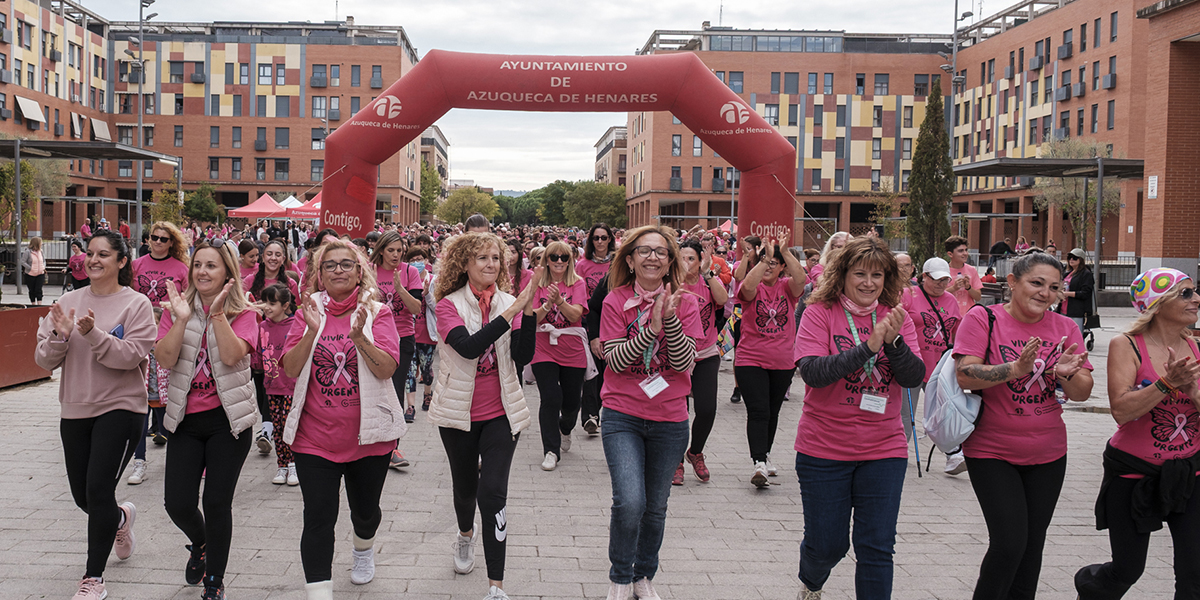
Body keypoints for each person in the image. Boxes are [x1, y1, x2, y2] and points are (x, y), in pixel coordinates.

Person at [952, 252, 1093, 600]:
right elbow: (965, 375)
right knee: (1009, 543)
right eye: (1037, 283)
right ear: (1013, 282)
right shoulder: (983, 318)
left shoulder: (1065, 328)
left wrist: (1067, 374)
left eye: (1054, 287)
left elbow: (1082, 393)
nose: (1045, 293)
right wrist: (1015, 369)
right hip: (992, 451)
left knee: (1032, 547)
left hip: (1048, 452)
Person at [792, 236, 925, 599]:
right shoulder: (820, 312)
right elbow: (814, 373)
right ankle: (811, 579)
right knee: (828, 545)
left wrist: (894, 342)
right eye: (860, 273)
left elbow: (914, 377)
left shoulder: (897, 316)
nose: (869, 283)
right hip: (823, 449)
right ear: (843, 274)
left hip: (884, 449)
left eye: (877, 275)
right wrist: (868, 346)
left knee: (877, 545)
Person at [280, 239, 407, 599]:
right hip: (314, 439)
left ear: (359, 272)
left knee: (365, 513)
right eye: (330, 265)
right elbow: (289, 369)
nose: (338, 270)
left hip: (370, 439)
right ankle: (319, 593)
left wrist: (359, 339)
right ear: (319, 274)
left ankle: (363, 550)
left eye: (346, 264)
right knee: (318, 518)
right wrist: (310, 331)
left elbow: (387, 370)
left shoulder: (377, 312)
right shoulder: (308, 310)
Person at [35, 230, 156, 600]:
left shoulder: (136, 305)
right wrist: (60, 333)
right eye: (90, 253)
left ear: (122, 262)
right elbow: (43, 360)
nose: (94, 260)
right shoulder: (68, 301)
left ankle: (94, 578)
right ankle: (119, 519)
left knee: (99, 489)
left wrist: (93, 334)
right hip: (75, 407)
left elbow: (128, 356)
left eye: (104, 254)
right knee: (83, 496)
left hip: (122, 408)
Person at [1075, 268, 1200, 599]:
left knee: (1195, 571)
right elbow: (1122, 411)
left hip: (1189, 472)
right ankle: (1089, 586)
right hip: (1133, 472)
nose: (1196, 299)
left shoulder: (1197, 348)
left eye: (1195, 292)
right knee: (1127, 569)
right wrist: (1166, 383)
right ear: (1158, 305)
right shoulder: (1126, 345)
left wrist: (1194, 391)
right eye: (1186, 293)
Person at [429, 232, 538, 600]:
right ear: (464, 264)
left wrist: (531, 313)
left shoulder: (511, 301)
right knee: (465, 490)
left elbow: (521, 358)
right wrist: (512, 312)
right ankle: (464, 535)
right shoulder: (447, 305)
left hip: (502, 413)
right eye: (482, 258)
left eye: (496, 258)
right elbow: (468, 347)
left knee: (492, 492)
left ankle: (496, 585)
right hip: (458, 413)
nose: (491, 265)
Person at [598, 225, 701, 600]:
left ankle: (644, 576)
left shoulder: (687, 303)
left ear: (670, 260)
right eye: (644, 251)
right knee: (630, 501)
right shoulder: (614, 302)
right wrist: (649, 328)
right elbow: (616, 360)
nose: (653, 257)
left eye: (660, 251)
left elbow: (684, 361)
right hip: (622, 414)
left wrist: (669, 320)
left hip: (670, 419)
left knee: (655, 507)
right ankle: (620, 576)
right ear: (630, 259)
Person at [155, 240, 260, 600]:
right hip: (185, 419)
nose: (202, 271)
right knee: (178, 502)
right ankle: (201, 542)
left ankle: (214, 582)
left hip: (228, 422)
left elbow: (232, 356)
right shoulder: (176, 310)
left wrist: (216, 315)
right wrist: (182, 319)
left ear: (227, 272)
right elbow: (165, 360)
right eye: (197, 264)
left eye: (211, 266)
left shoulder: (244, 312)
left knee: (216, 502)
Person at [735, 236, 807, 487]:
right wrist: (763, 258)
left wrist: (785, 253)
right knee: (758, 410)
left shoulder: (787, 287)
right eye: (765, 263)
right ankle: (759, 462)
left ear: (782, 267)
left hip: (783, 360)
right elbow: (747, 287)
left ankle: (764, 456)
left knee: (773, 411)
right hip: (750, 359)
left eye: (774, 264)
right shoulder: (753, 286)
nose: (769, 267)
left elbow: (802, 281)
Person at [128, 221, 191, 484]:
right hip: (140, 337)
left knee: (169, 400)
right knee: (140, 402)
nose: (157, 242)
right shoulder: (137, 264)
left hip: (168, 338)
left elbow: (188, 301)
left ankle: (177, 462)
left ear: (172, 242)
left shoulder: (181, 269)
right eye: (153, 237)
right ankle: (139, 461)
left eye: (163, 239)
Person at [530, 240, 591, 471]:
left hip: (572, 347)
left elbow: (577, 313)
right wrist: (547, 306)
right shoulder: (538, 284)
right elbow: (532, 317)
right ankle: (550, 451)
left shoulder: (577, 283)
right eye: (553, 257)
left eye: (563, 258)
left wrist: (560, 301)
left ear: (570, 261)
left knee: (571, 402)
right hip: (543, 346)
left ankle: (565, 428)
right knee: (551, 397)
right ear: (546, 259)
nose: (558, 261)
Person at [900, 257, 965, 473]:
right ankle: (897, 452)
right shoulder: (908, 294)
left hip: (939, 365)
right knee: (905, 412)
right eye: (936, 279)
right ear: (924, 276)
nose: (941, 284)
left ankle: (954, 454)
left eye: (945, 280)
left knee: (946, 410)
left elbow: (957, 331)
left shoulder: (951, 300)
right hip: (911, 362)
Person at [674, 238, 728, 484]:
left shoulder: (707, 283)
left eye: (691, 259)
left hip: (705, 353)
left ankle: (695, 452)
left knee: (706, 409)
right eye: (682, 258)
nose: (687, 263)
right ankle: (675, 460)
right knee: (678, 411)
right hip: (675, 356)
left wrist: (708, 274)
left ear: (700, 261)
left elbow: (724, 300)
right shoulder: (671, 283)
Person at [371, 230, 422, 427]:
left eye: (399, 250)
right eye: (390, 250)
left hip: (403, 337)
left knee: (395, 387)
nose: (395, 255)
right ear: (381, 251)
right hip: (375, 339)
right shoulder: (369, 270)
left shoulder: (410, 271)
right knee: (375, 389)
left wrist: (400, 288)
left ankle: (394, 444)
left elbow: (416, 308)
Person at [258, 283, 300, 486]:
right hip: (272, 386)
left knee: (289, 426)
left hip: (292, 385)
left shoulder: (295, 325)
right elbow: (258, 355)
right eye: (265, 302)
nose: (267, 307)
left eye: (272, 303)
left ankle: (294, 464)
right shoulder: (262, 326)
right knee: (277, 427)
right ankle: (281, 465)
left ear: (285, 305)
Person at [406, 247, 437, 414]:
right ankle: (410, 406)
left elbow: (438, 307)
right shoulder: (406, 279)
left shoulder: (434, 280)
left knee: (426, 368)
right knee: (409, 370)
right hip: (408, 331)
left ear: (426, 261)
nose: (416, 263)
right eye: (412, 260)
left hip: (427, 332)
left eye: (419, 259)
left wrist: (426, 295)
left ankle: (427, 393)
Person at [1058, 248, 1095, 335]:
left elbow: (1086, 293)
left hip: (1076, 310)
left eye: (1074, 258)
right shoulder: (1067, 273)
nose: (1071, 260)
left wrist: (1067, 294)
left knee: (1075, 335)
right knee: (1062, 335)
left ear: (1081, 260)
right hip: (1063, 308)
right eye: (1069, 257)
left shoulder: (1086, 274)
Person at [945, 235, 983, 316]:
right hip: (949, 315)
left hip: (968, 316)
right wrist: (953, 288)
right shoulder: (943, 271)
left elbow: (978, 297)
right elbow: (937, 295)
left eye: (966, 250)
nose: (965, 253)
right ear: (950, 254)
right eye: (960, 251)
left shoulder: (971, 270)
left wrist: (968, 287)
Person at [21, 236, 46, 305]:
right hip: (30, 274)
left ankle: (39, 303)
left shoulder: (41, 251)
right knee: (32, 290)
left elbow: (44, 260)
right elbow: (22, 261)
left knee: (38, 289)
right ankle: (33, 303)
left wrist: (43, 267)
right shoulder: (28, 252)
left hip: (40, 273)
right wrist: (30, 267)